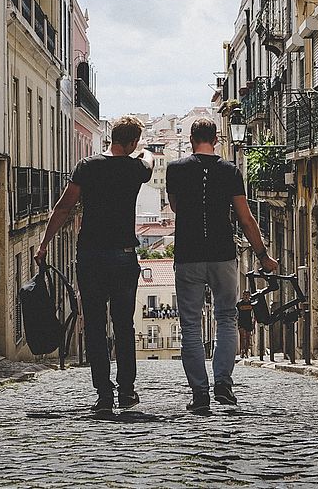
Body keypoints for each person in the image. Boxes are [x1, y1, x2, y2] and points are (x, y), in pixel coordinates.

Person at [35, 115, 153, 413]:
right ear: (132, 142)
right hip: (124, 256)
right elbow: (149, 160)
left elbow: (63, 207)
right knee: (124, 325)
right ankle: (126, 391)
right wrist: (142, 151)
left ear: (111, 138)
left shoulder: (87, 166)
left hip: (90, 255)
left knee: (95, 326)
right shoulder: (135, 167)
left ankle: (103, 395)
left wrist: (44, 243)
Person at [166, 117, 278, 412]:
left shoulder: (175, 169)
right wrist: (263, 255)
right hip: (223, 254)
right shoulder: (230, 171)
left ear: (191, 139)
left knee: (190, 325)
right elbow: (245, 217)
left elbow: (176, 207)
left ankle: (200, 393)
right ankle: (224, 384)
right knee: (226, 318)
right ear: (216, 140)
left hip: (188, 255)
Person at [237, 290, 254, 358]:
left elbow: (254, 312)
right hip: (241, 321)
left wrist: (254, 321)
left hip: (249, 321)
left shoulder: (251, 303)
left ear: (249, 296)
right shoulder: (239, 304)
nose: (246, 296)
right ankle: (242, 350)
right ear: (243, 295)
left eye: (247, 295)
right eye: (245, 295)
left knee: (247, 337)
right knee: (242, 336)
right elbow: (236, 312)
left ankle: (246, 351)